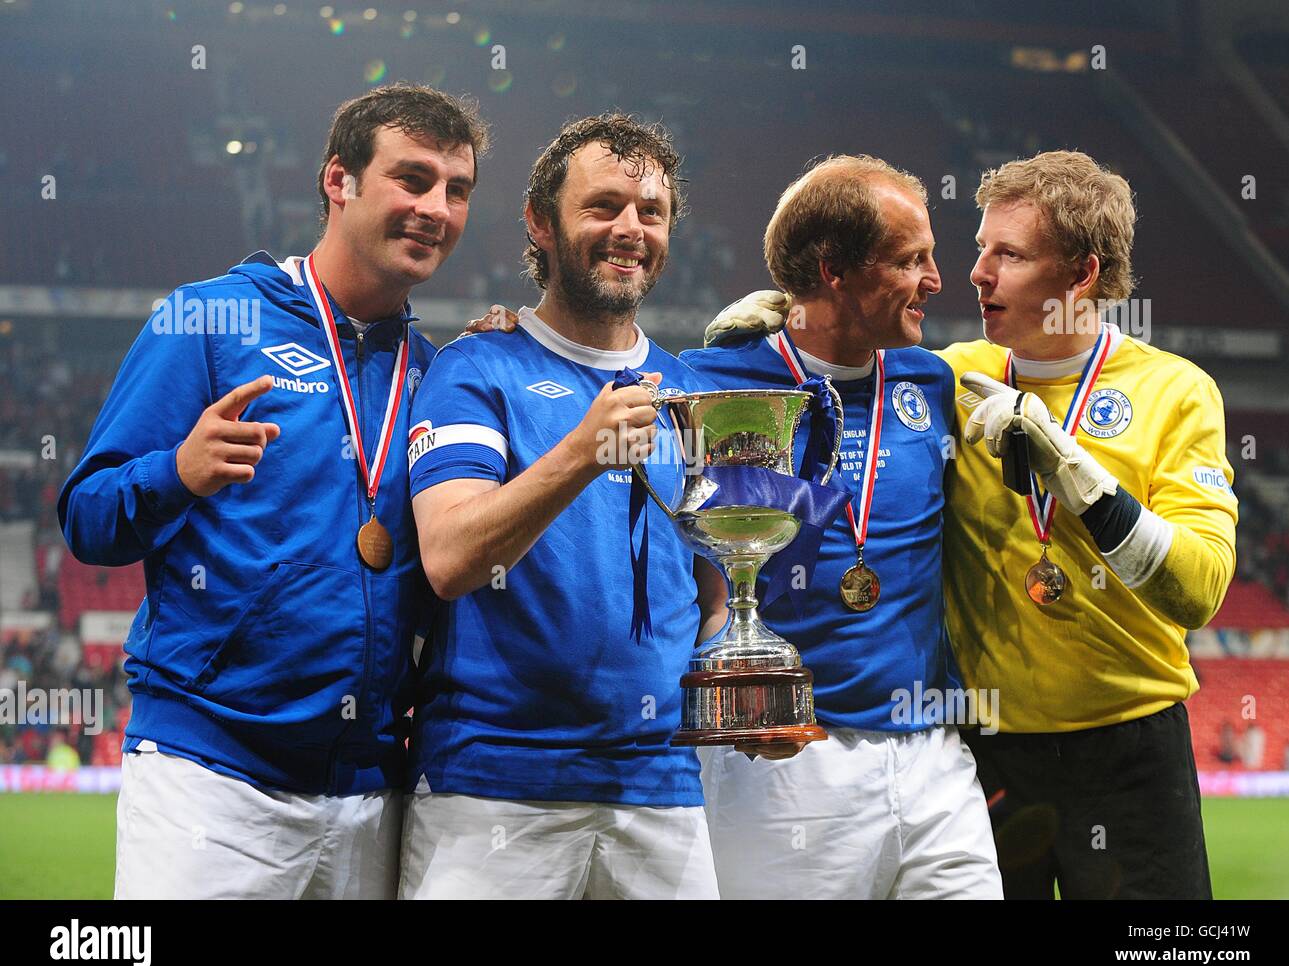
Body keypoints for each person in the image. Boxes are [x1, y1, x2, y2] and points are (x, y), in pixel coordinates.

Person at [58, 83, 488, 899]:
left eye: (456, 190)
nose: (436, 207)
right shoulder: (208, 321)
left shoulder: (441, 375)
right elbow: (87, 517)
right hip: (212, 777)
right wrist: (173, 473)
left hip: (369, 788)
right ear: (339, 181)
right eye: (413, 178)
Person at [399, 113, 725, 900]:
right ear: (541, 223)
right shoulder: (475, 369)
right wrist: (581, 452)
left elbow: (711, 590)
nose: (630, 229)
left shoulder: (691, 394)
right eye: (603, 205)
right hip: (493, 787)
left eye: (651, 212)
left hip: (662, 790)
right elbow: (448, 557)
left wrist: (743, 675)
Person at [676, 155, 1001, 899]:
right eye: (910, 259)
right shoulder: (711, 384)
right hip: (785, 760)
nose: (936, 279)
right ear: (833, 269)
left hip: (932, 753)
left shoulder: (933, 380)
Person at [947, 151, 1237, 898]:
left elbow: (1199, 588)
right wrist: (767, 353)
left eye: (1007, 254)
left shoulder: (1174, 391)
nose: (978, 272)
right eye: (981, 248)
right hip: (986, 753)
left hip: (1130, 755)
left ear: (1081, 274)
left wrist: (1078, 477)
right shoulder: (946, 377)